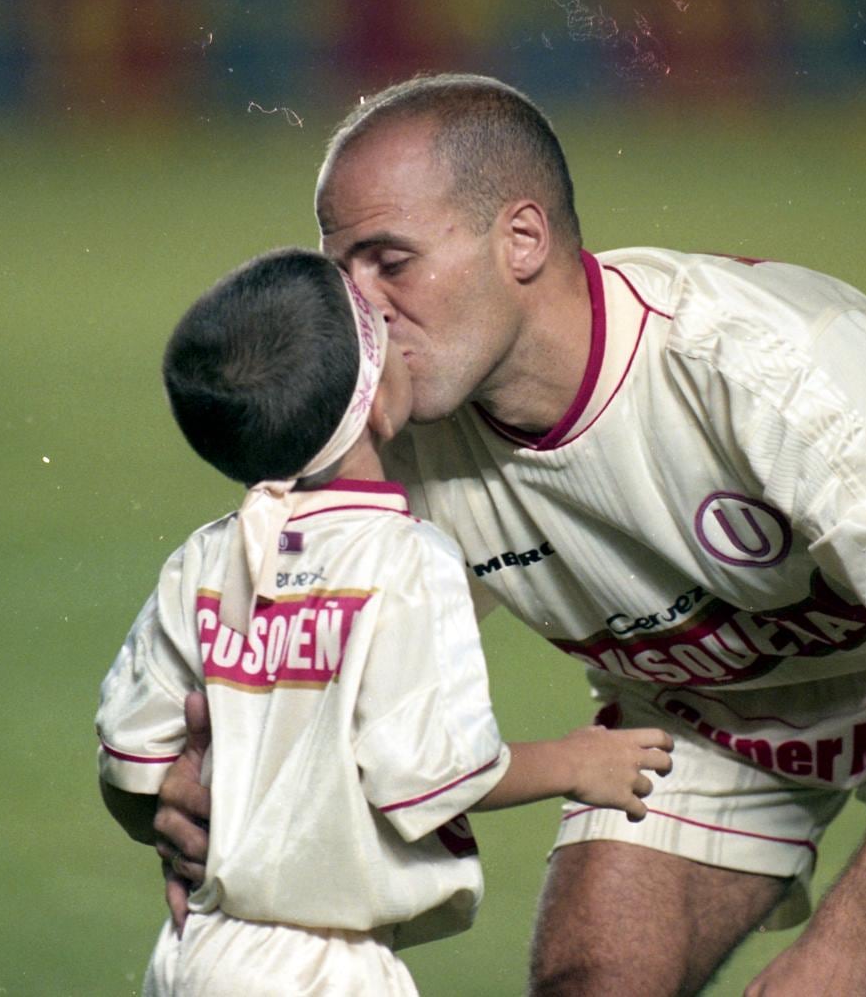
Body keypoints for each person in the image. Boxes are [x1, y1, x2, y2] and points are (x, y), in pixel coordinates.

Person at [150, 76, 866, 996]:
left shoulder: (767, 365)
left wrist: (843, 941)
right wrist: (202, 778)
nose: (358, 311)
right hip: (702, 699)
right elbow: (263, 658)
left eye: (389, 261)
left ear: (520, 236)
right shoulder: (387, 437)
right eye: (339, 271)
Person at [95, 247, 675, 995]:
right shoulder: (408, 560)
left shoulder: (202, 560)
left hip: (191, 952)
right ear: (372, 403)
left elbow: (131, 759)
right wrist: (574, 762)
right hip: (325, 969)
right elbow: (431, 774)